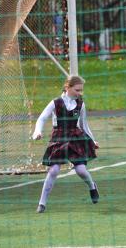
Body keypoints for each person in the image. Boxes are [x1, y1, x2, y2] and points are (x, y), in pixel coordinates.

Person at [32, 75, 100, 213]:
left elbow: (84, 125)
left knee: (81, 171)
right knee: (54, 170)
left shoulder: (81, 104)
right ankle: (42, 203)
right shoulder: (56, 102)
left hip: (75, 139)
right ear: (67, 88)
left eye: (81, 90)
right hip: (59, 138)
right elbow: (42, 118)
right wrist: (37, 132)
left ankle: (92, 186)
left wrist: (92, 141)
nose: (80, 93)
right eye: (77, 90)